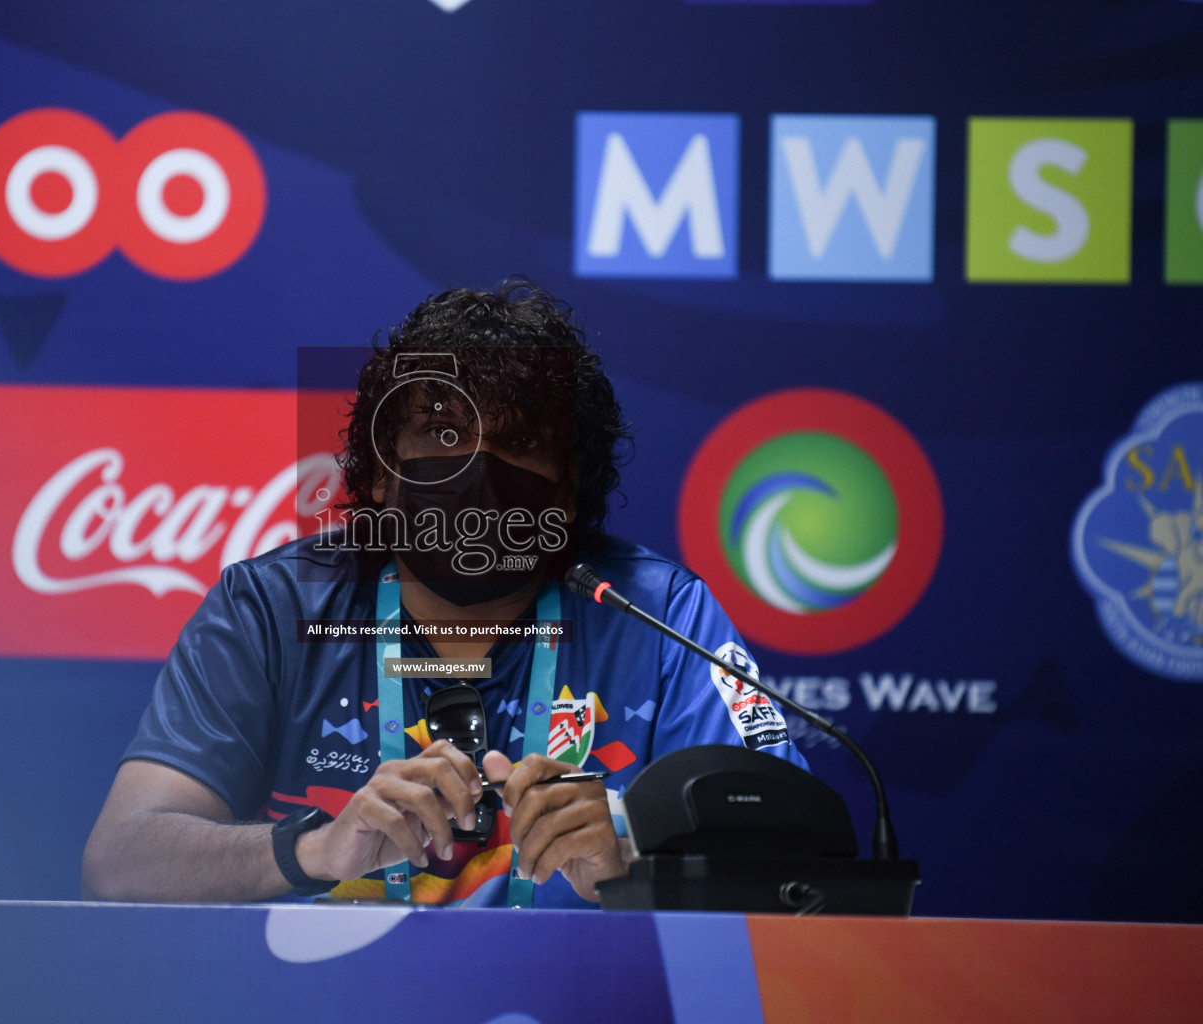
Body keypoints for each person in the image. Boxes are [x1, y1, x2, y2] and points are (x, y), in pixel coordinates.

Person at [82, 281, 806, 908]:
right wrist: (317, 851)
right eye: (443, 433)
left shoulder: (657, 611)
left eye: (520, 444)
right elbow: (122, 859)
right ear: (379, 472)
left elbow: (792, 862)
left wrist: (641, 855)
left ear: (569, 483)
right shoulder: (272, 608)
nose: (480, 480)